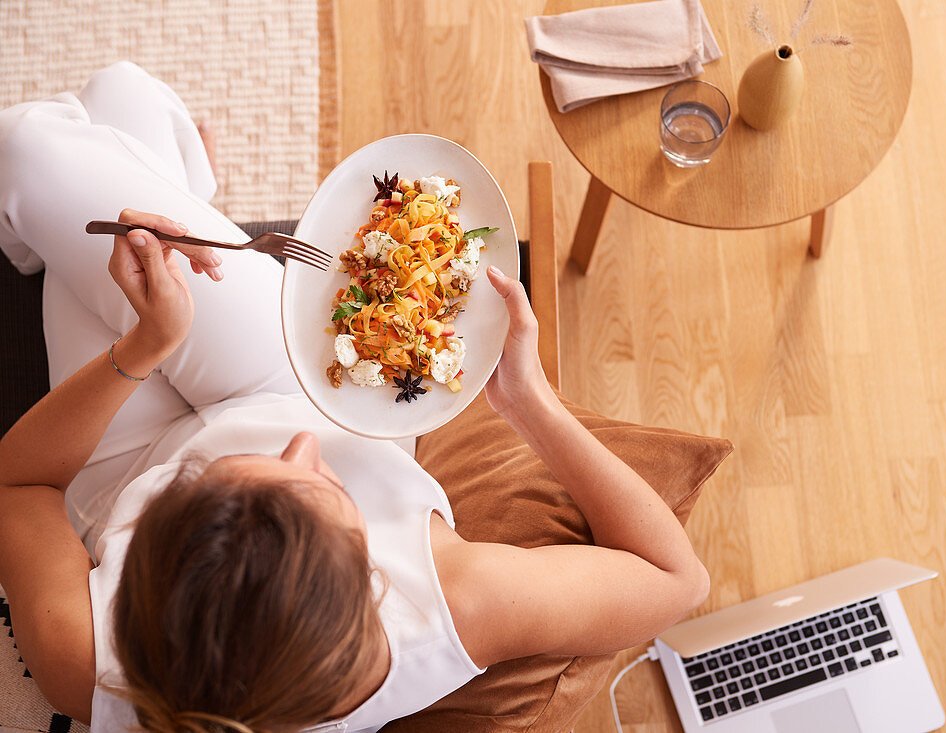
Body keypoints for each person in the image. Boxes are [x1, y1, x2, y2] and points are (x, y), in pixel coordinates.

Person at [0, 62, 709, 733]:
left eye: (201, 485)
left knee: (52, 134)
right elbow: (678, 581)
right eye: (326, 486)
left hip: (122, 467)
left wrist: (145, 346)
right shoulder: (451, 604)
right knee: (115, 108)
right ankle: (168, 182)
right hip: (287, 385)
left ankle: (152, 184)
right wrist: (531, 404)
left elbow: (19, 478)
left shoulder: (81, 658)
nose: (300, 445)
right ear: (374, 578)